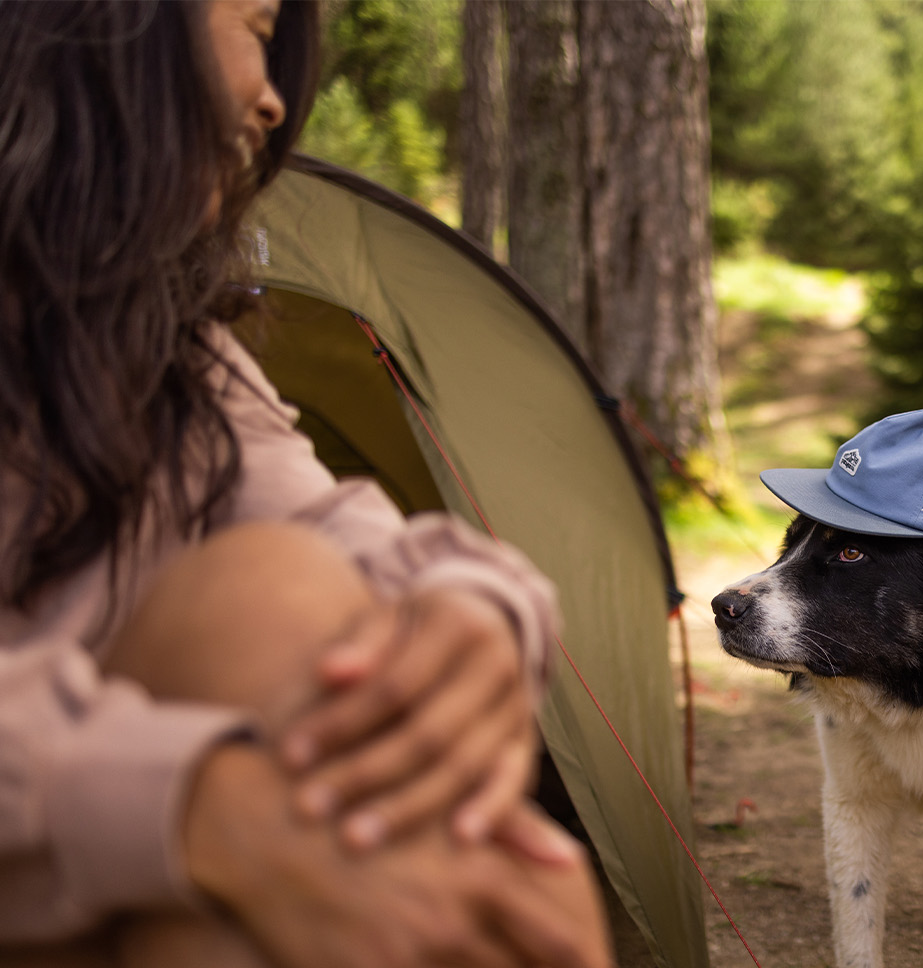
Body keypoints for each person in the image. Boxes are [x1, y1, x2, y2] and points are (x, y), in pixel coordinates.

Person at [0, 2, 610, 965]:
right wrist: (198, 804)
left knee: (274, 593)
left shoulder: (168, 355)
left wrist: (475, 609)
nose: (275, 101)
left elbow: (327, 524)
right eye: (255, 24)